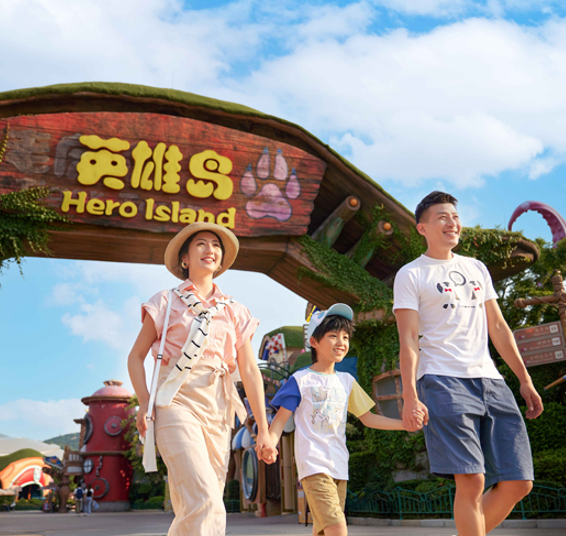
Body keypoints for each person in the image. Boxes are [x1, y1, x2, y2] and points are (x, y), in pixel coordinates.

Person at [393, 191, 544, 536]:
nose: (452, 223)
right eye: (442, 217)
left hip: (490, 381)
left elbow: (499, 327)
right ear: (422, 228)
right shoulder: (411, 274)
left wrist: (524, 379)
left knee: (519, 482)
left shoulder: (476, 268)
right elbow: (408, 339)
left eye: (455, 217)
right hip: (441, 380)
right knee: (472, 480)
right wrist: (410, 396)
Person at [128, 222, 275, 536]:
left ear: (220, 261)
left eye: (216, 245)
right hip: (174, 402)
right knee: (205, 499)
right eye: (201, 244)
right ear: (184, 259)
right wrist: (144, 404)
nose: (210, 249)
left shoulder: (236, 310)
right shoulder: (166, 301)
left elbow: (250, 371)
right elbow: (135, 356)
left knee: (200, 503)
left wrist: (263, 429)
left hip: (219, 409)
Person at [262, 304, 423, 536]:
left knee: (325, 530)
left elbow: (368, 418)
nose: (341, 342)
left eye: (345, 337)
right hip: (314, 466)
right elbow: (279, 421)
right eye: (333, 336)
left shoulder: (347, 381)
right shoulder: (300, 380)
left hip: (339, 467)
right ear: (314, 342)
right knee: (338, 528)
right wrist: (269, 442)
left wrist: (404, 424)